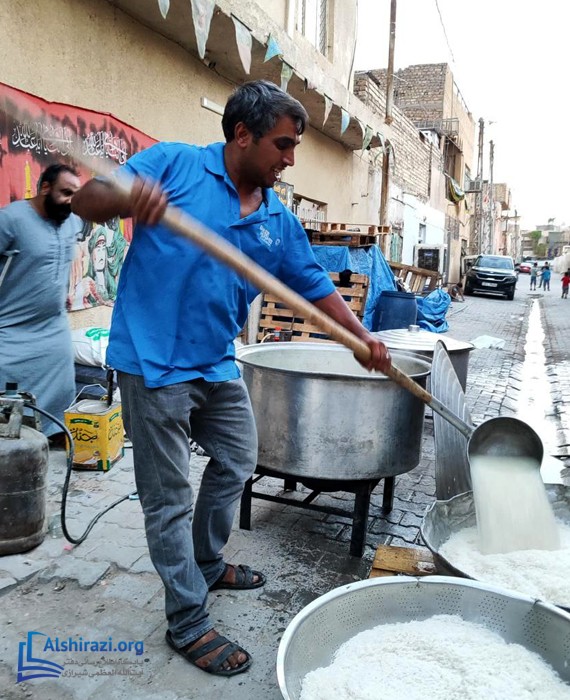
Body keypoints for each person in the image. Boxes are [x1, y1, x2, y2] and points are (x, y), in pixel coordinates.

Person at [71, 80, 391, 678]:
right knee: (168, 499)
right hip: (153, 363)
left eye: (293, 147)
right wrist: (123, 197)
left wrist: (361, 337)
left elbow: (313, 285)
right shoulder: (174, 166)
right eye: (282, 144)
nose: (290, 158)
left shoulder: (275, 218)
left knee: (239, 459)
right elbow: (87, 202)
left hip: (216, 361)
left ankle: (206, 560)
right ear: (242, 134)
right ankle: (187, 619)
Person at [0, 163, 82, 441]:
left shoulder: (72, 222)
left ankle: (53, 438)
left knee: (62, 387)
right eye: (65, 193)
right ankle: (12, 445)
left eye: (75, 194)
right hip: (10, 328)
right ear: (45, 188)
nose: (70, 200)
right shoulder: (11, 219)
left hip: (53, 327)